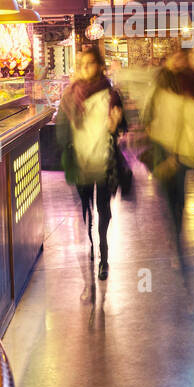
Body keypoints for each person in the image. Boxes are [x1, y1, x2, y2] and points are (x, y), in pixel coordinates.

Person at [55, 45, 127, 280]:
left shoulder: (111, 93)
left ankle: (103, 257)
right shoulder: (70, 95)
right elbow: (62, 130)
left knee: (103, 210)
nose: (85, 67)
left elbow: (122, 125)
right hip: (81, 161)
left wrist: (116, 126)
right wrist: (68, 152)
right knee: (87, 210)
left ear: (98, 65)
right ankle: (91, 242)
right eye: (82, 63)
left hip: (105, 161)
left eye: (90, 63)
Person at [142, 49, 194, 232]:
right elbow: (153, 103)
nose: (178, 62)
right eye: (175, 58)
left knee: (182, 174)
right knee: (172, 181)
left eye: (182, 59)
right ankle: (175, 211)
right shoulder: (164, 78)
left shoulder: (191, 79)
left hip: (184, 138)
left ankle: (180, 211)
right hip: (168, 136)